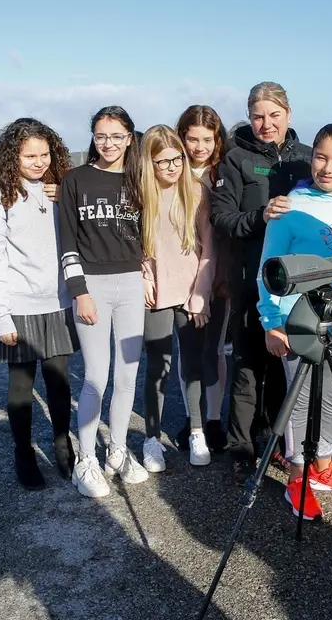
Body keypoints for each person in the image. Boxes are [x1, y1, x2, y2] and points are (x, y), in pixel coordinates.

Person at [257, 122, 332, 519]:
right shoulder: (289, 206)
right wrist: (271, 320)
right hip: (295, 321)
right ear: (311, 157)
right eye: (321, 157)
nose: (328, 168)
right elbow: (268, 268)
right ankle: (296, 476)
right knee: (299, 400)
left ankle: (324, 465)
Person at [210, 81, 312, 483]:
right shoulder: (235, 160)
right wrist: (260, 217)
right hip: (252, 280)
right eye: (258, 116)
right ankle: (241, 447)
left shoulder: (307, 158)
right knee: (249, 365)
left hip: (300, 283)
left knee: (287, 365)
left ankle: (279, 439)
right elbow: (223, 218)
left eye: (274, 115)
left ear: (288, 114)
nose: (266, 124)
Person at [0, 118, 78, 490]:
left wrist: (65, 197)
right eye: (29, 156)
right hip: (18, 304)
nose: (38, 162)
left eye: (44, 154)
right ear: (11, 157)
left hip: (58, 302)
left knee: (60, 382)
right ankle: (23, 453)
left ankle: (63, 444)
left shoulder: (60, 190)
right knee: (21, 386)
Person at [59, 105, 149, 498]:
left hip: (131, 283)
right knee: (96, 376)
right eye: (101, 136)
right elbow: (67, 241)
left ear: (130, 137)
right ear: (93, 138)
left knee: (127, 376)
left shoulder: (140, 178)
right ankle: (86, 460)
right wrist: (79, 292)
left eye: (116, 135)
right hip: (92, 284)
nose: (108, 143)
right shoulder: (75, 180)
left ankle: (117, 450)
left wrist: (149, 276)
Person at [138, 124, 216, 470]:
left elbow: (208, 248)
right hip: (155, 292)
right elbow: (136, 245)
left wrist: (201, 293)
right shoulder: (140, 194)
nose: (171, 167)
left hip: (190, 293)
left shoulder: (196, 192)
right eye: (162, 162)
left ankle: (197, 431)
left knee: (193, 365)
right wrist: (143, 277)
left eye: (176, 159)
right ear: (149, 163)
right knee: (156, 367)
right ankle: (152, 439)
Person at [175, 104, 233, 454]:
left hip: (219, 270)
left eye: (207, 140)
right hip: (179, 272)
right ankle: (190, 416)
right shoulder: (169, 169)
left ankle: (213, 418)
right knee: (187, 350)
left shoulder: (223, 172)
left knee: (215, 348)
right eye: (192, 138)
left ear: (217, 139)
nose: (199, 147)